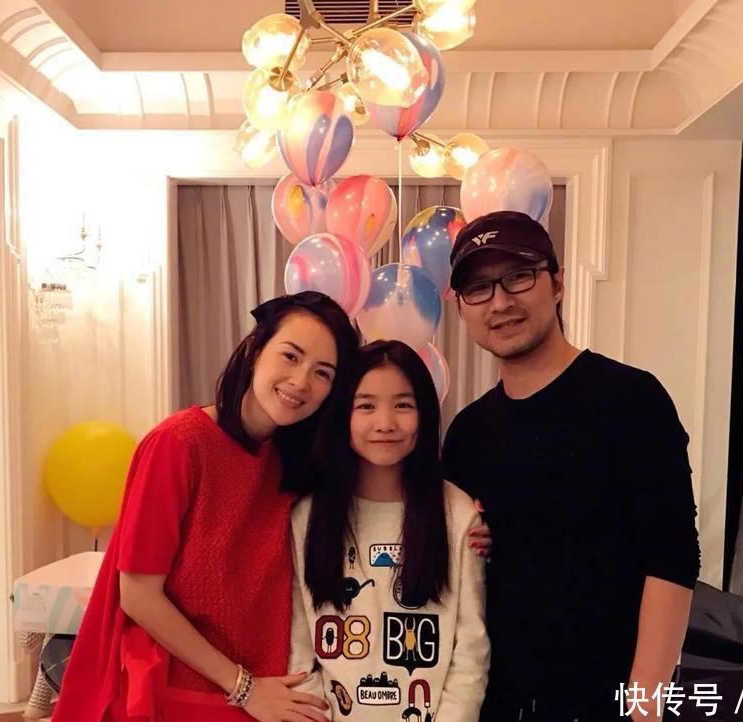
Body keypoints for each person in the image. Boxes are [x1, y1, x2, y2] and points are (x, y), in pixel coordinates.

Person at [440, 211, 701, 721]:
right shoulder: (468, 433)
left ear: (557, 283)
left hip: (606, 698)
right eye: (479, 288)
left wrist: (644, 704)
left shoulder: (630, 399)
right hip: (496, 699)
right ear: (462, 308)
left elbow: (672, 556)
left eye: (518, 276)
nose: (500, 302)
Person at [52, 291, 359, 722]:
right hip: (184, 694)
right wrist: (243, 687)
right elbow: (138, 594)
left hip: (268, 694)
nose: (301, 381)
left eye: (322, 373)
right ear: (255, 349)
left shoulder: (293, 462)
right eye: (290, 356)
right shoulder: (178, 444)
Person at [289, 340, 490, 722]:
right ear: (343, 415)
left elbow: (470, 652)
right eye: (366, 406)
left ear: (424, 414)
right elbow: (298, 651)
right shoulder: (307, 517)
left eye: (403, 405)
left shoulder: (457, 513)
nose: (385, 423)